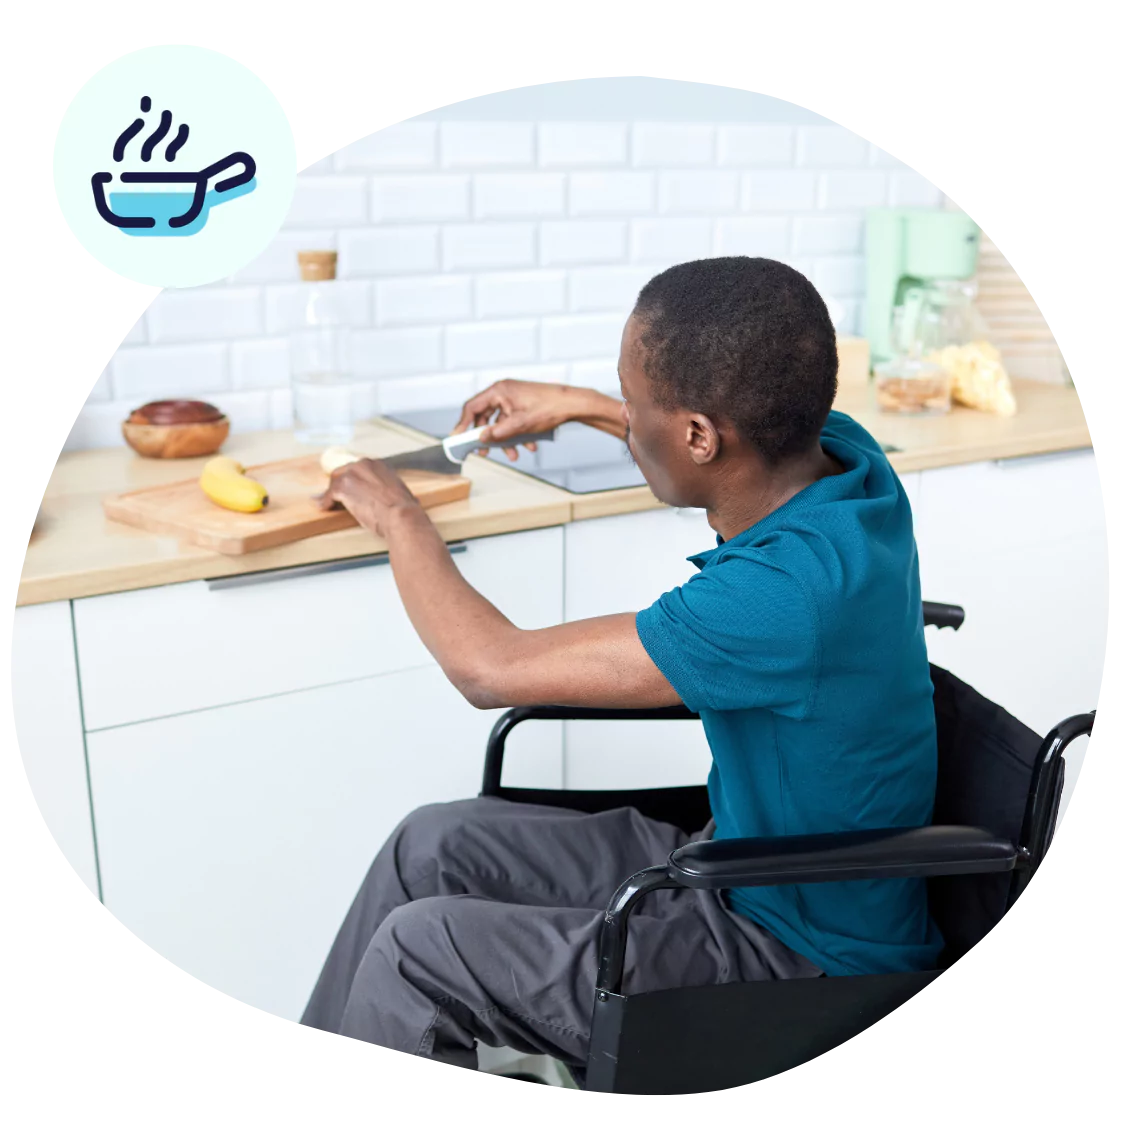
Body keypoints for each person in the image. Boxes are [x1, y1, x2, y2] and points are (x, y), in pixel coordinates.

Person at [298, 257, 944, 1079]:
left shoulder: (781, 598)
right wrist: (582, 407)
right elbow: (716, 438)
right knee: (426, 844)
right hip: (735, 863)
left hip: (790, 948)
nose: (627, 417)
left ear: (699, 436)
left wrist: (397, 511)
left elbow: (485, 668)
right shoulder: (842, 460)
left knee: (417, 953)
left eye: (633, 401)